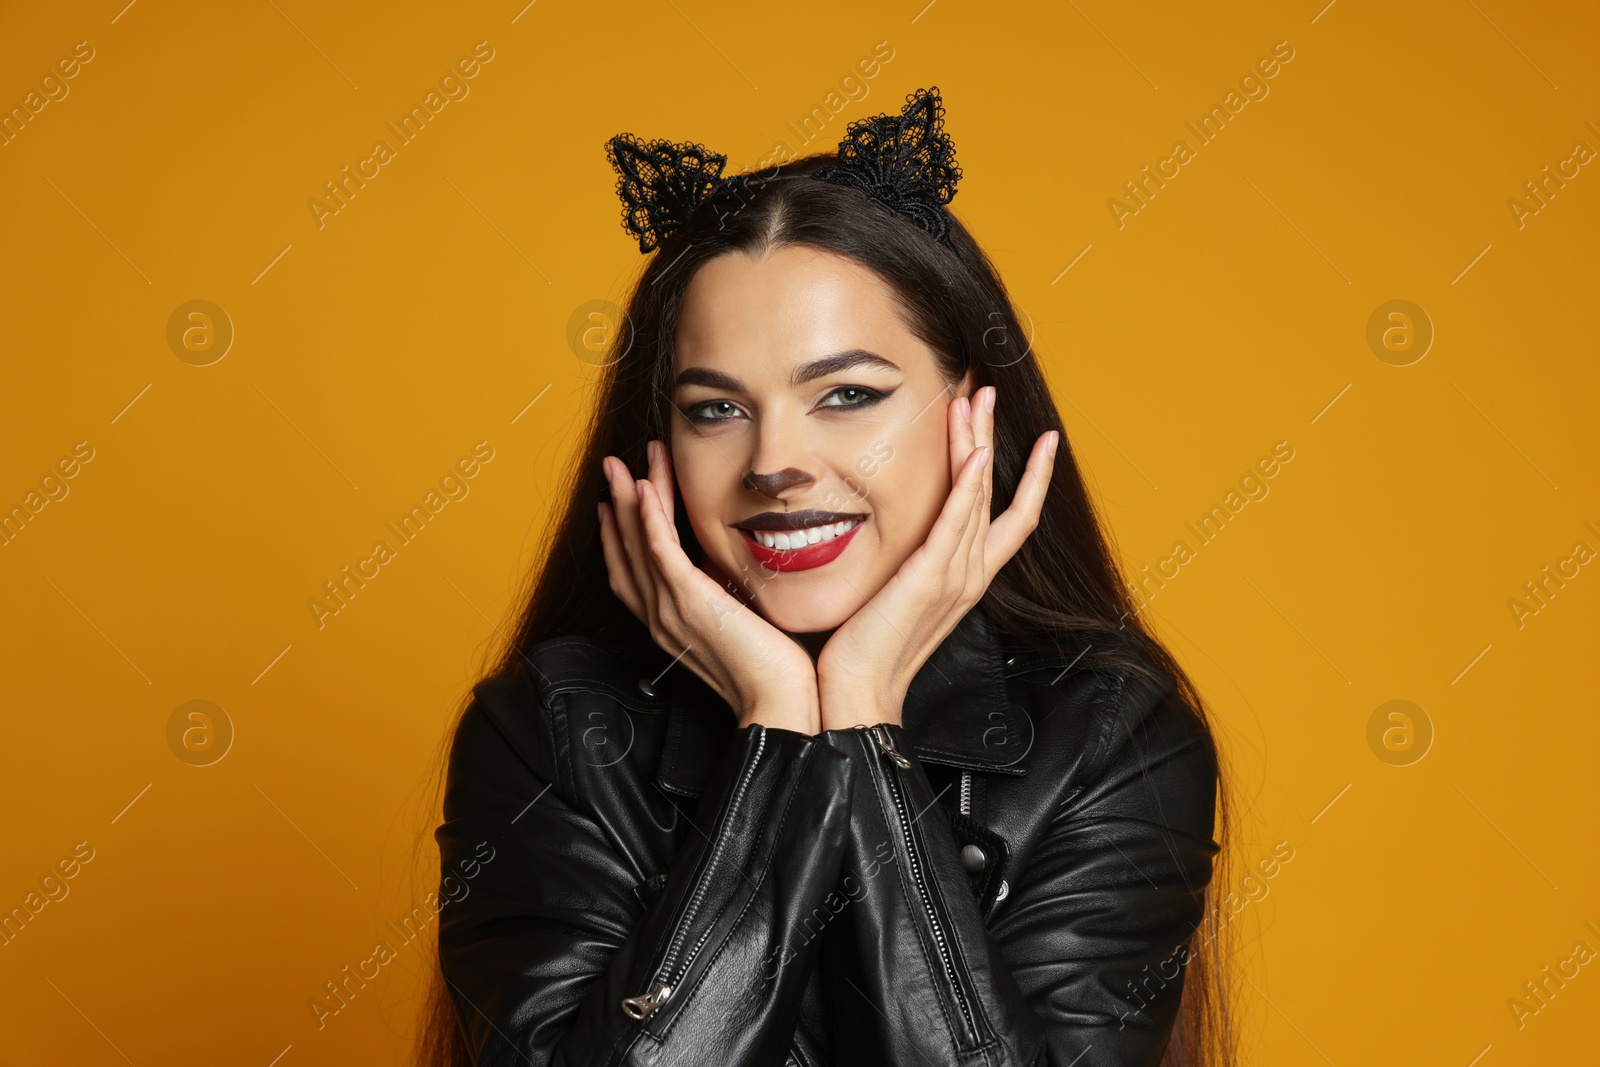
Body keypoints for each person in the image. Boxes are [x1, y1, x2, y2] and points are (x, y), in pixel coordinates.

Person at [418, 87, 1234, 1067]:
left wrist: (858, 717)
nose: (775, 462)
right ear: (660, 447)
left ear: (970, 420)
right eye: (715, 409)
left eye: (847, 395)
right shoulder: (549, 731)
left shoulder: (1109, 733)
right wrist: (775, 724)